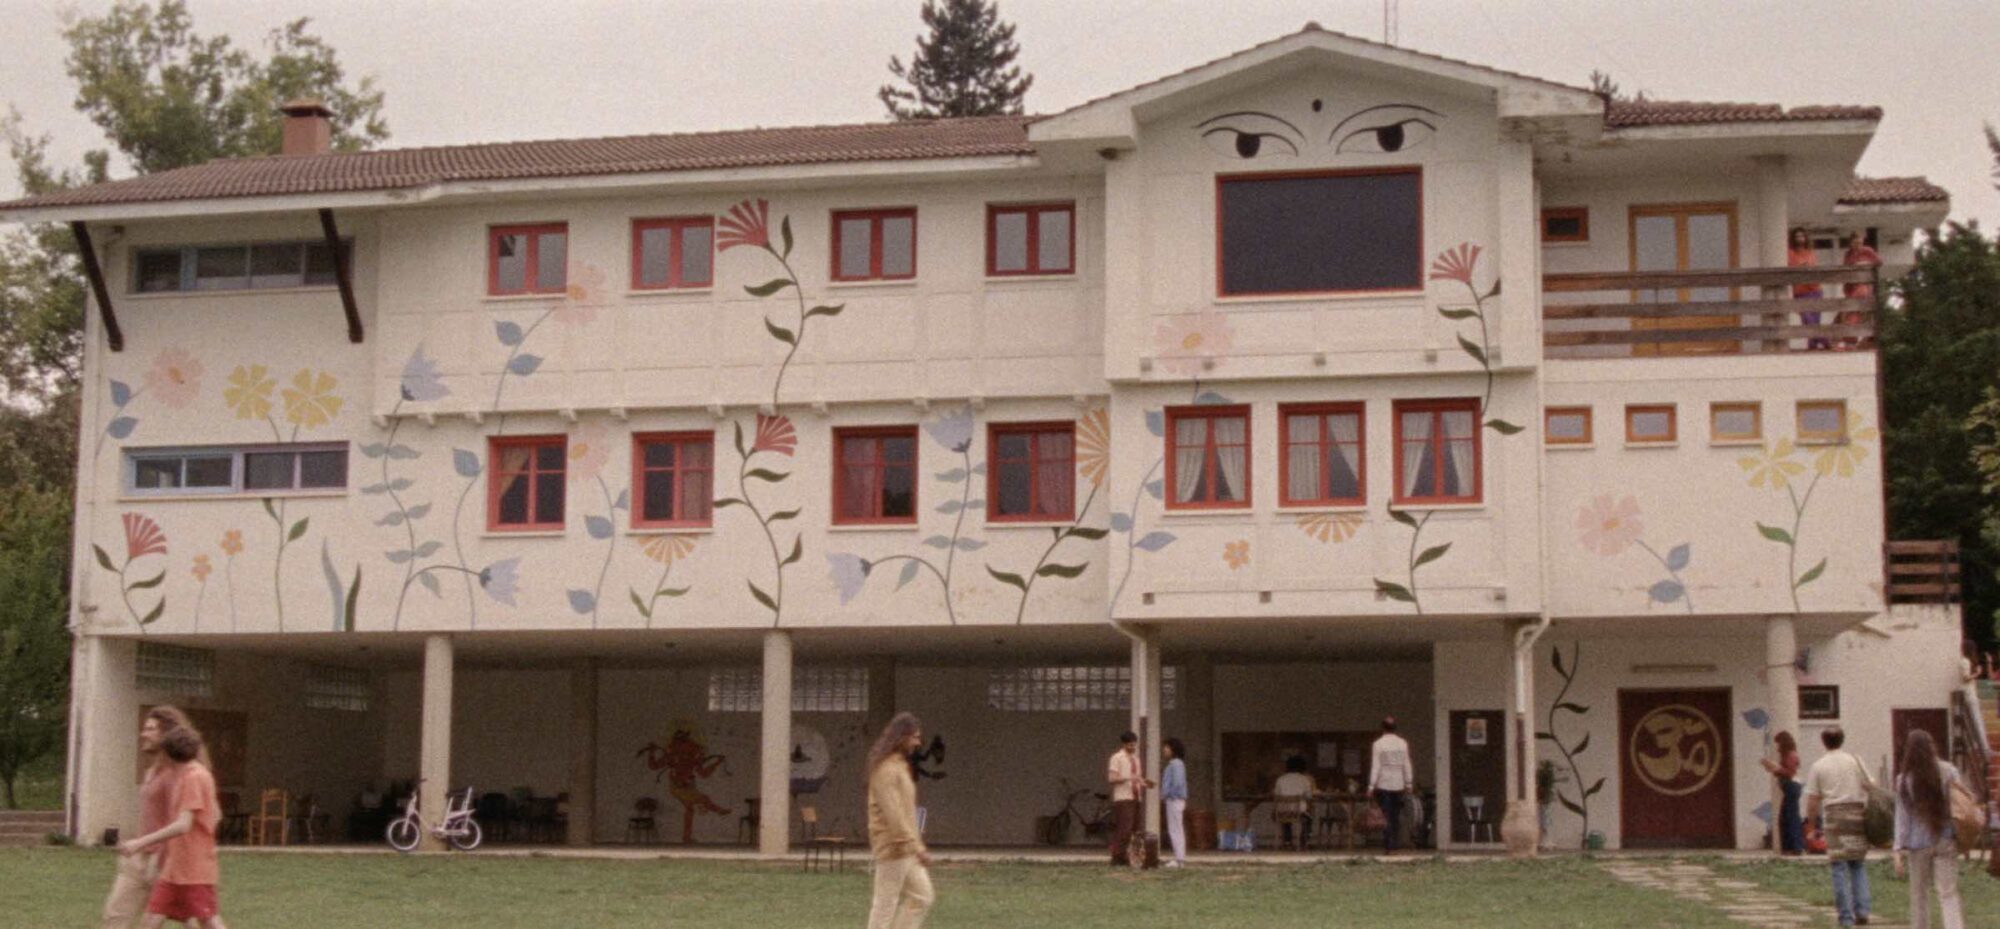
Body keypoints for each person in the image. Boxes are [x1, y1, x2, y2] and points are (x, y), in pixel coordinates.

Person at [101, 706, 205, 929]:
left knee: (188, 919)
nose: (143, 734)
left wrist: (163, 856)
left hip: (164, 860)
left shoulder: (178, 775)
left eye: (150, 729)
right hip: (139, 858)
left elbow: (182, 823)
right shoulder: (151, 772)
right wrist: (138, 845)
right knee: (114, 916)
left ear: (165, 735)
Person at [120, 727, 226, 929]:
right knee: (152, 918)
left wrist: (139, 843)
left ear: (168, 755)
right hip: (175, 868)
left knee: (208, 920)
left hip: (194, 870)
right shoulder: (187, 777)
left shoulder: (195, 777)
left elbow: (183, 824)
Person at [866, 712, 933, 929]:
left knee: (923, 896)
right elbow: (893, 815)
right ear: (902, 737)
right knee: (884, 906)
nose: (918, 743)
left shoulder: (899, 766)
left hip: (907, 848)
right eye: (914, 737)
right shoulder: (886, 769)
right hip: (892, 847)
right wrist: (917, 847)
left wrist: (916, 845)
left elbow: (906, 812)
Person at [1893, 730, 1964, 929]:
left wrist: (1898, 847)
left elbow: (1903, 816)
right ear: (1932, 746)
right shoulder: (1949, 772)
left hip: (1917, 842)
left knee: (1919, 893)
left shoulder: (1904, 779)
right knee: (1948, 892)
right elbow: (1960, 804)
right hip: (1945, 836)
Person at [1803, 726, 1873, 928]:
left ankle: (1845, 917)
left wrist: (1810, 824)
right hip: (1856, 814)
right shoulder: (1854, 761)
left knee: (1838, 866)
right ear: (1842, 740)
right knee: (1857, 864)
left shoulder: (1818, 766)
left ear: (1823, 742)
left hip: (1834, 817)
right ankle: (1862, 910)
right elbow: (1870, 784)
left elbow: (1813, 800)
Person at [1368, 716, 1414, 854]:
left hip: (1384, 783)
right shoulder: (1402, 743)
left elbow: (1376, 766)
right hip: (1399, 783)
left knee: (1386, 815)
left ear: (1383, 728)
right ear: (1395, 728)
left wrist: (1371, 786)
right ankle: (1395, 844)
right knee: (1396, 815)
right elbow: (1406, 763)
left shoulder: (1378, 744)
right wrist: (1409, 782)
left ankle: (1389, 845)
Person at [1106, 731, 1151, 865]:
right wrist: (1128, 778)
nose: (1132, 747)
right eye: (1130, 745)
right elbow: (1112, 778)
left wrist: (1144, 783)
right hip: (1123, 797)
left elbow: (1137, 778)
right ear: (1124, 744)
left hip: (1135, 796)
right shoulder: (1117, 758)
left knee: (1135, 829)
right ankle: (1117, 856)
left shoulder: (1136, 759)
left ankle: (1131, 856)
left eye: (1134, 745)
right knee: (1124, 828)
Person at [1761, 730, 1805, 854]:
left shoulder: (1791, 755)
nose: (1777, 748)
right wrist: (1773, 769)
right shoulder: (1788, 755)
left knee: (1791, 817)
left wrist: (1776, 768)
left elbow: (1790, 772)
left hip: (1791, 786)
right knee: (1785, 817)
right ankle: (1789, 847)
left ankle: (1796, 846)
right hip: (1789, 787)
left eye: (1778, 744)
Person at [1788, 227, 1829, 350]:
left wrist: (1807, 267)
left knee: (1815, 320)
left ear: (1805, 238)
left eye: (1802, 236)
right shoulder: (1790, 252)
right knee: (1807, 320)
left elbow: (1813, 267)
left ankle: (1812, 346)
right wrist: (1801, 266)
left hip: (1815, 289)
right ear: (1793, 239)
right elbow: (1791, 267)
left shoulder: (1810, 252)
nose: (1800, 239)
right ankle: (1825, 341)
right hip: (1800, 290)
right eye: (1797, 236)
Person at [1839, 232, 1881, 349]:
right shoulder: (1848, 254)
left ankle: (1851, 339)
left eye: (1860, 242)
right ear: (1851, 243)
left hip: (1862, 285)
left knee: (1853, 311)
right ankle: (1850, 339)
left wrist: (1866, 263)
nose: (1858, 245)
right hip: (1850, 286)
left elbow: (1879, 262)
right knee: (1849, 312)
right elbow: (1845, 267)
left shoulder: (1867, 251)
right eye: (1855, 242)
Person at [1271, 755, 1317, 851]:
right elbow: (1309, 796)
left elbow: (1276, 794)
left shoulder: (1281, 779)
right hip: (1299, 811)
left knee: (1286, 817)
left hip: (1282, 811)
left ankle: (1287, 841)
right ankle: (1303, 841)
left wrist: (1275, 809)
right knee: (1309, 818)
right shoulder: (1304, 779)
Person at [1159, 737, 1188, 868]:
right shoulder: (1175, 764)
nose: (1164, 750)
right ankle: (1179, 858)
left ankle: (1179, 859)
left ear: (1173, 749)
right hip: (1175, 800)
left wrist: (1167, 794)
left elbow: (1177, 783)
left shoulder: (1175, 764)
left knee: (1175, 829)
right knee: (1176, 828)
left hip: (1174, 800)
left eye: (1166, 747)